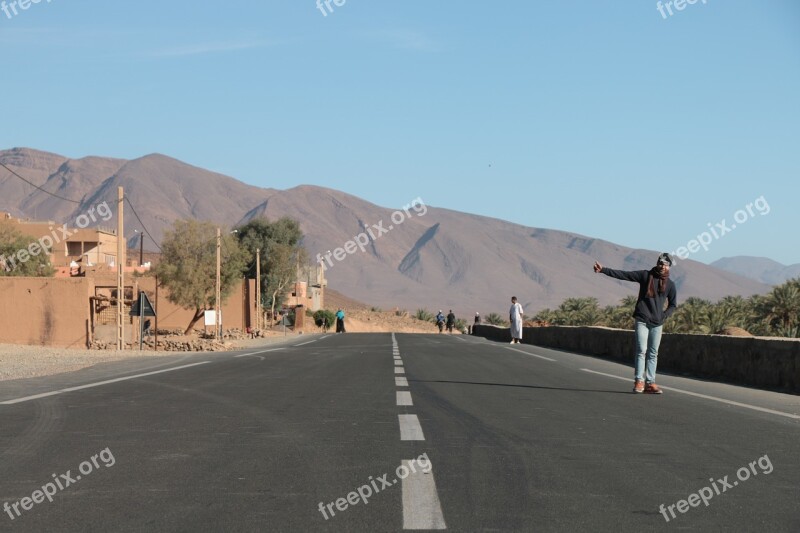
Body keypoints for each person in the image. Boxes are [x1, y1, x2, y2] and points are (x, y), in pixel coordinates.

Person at [594, 253, 677, 394]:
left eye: (666, 265)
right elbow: (624, 275)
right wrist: (603, 270)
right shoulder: (645, 276)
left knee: (653, 353)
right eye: (661, 263)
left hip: (657, 323)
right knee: (641, 351)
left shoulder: (670, 284)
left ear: (669, 267)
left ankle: (650, 383)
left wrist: (663, 316)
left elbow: (673, 305)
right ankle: (639, 381)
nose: (663, 267)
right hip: (642, 319)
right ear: (657, 263)